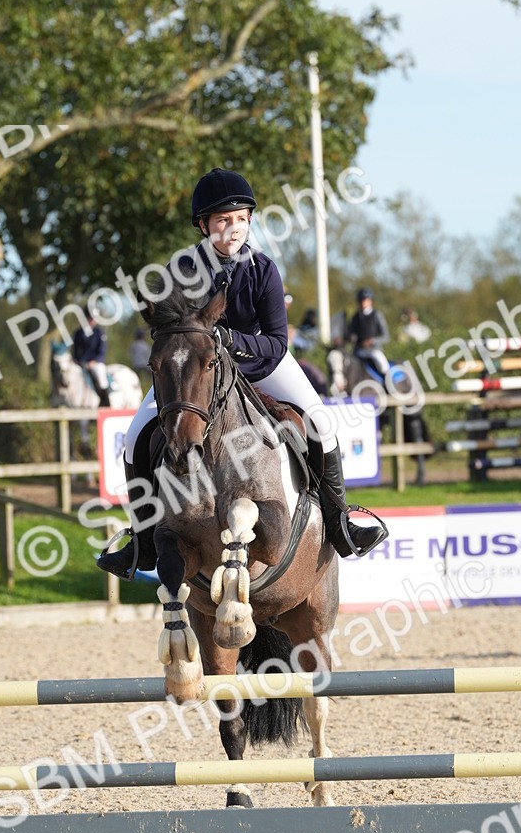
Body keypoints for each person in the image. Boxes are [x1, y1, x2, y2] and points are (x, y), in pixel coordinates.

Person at [97, 167, 387, 579]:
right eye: (222, 221)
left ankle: (340, 522)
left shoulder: (263, 270)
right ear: (204, 225)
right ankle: (142, 540)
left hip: (261, 364)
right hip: (197, 372)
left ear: (250, 220)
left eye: (239, 219)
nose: (232, 229)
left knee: (321, 421)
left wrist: (232, 341)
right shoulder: (181, 269)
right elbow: (166, 326)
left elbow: (276, 342)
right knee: (134, 437)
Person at [347, 287, 390, 382]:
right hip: (359, 350)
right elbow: (352, 333)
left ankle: (389, 384)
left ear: (370, 301)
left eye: (365, 300)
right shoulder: (355, 317)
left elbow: (386, 336)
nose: (363, 303)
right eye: (361, 300)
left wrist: (373, 341)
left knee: (383, 366)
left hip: (373, 350)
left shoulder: (377, 315)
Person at [72, 315, 111, 408]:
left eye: (93, 319)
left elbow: (102, 350)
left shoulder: (99, 333)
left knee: (101, 378)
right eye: (90, 318)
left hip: (95, 363)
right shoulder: (79, 332)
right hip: (81, 363)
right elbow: (75, 349)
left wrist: (94, 361)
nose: (92, 321)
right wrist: (76, 360)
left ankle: (105, 402)